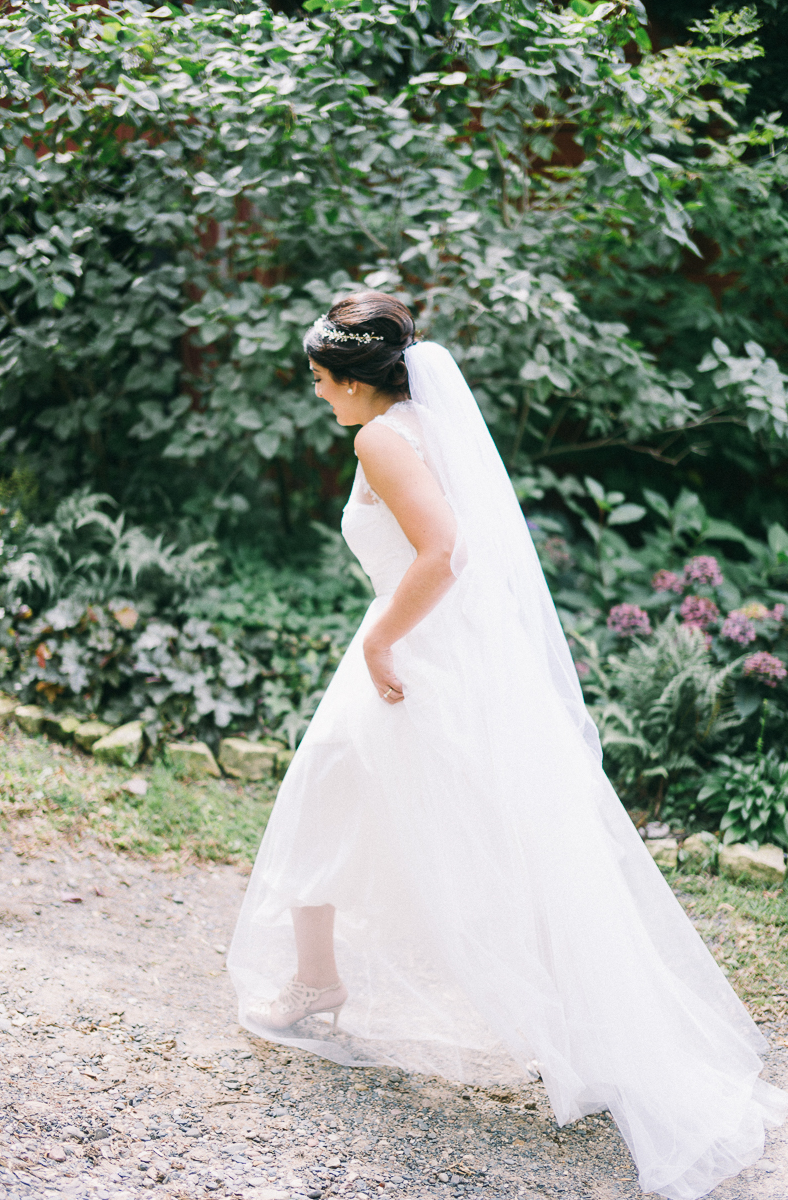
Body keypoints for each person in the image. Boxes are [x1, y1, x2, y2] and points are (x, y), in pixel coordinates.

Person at [228, 291, 788, 1200]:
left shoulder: (379, 437)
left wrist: (378, 641)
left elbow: (442, 552)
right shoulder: (414, 419)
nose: (319, 395)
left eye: (323, 380)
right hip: (427, 649)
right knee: (334, 794)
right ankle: (317, 980)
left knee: (490, 851)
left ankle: (602, 1038)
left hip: (410, 656)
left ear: (355, 381)